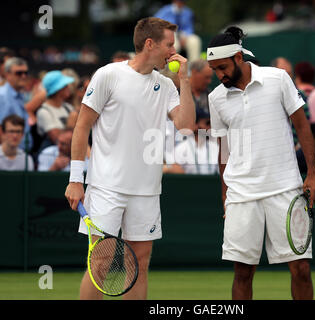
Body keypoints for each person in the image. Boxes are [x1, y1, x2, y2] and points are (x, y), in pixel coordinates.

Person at [64, 17, 195, 300]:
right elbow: (82, 126)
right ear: (150, 44)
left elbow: (186, 125)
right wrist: (76, 179)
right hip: (106, 186)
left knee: (140, 265)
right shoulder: (108, 75)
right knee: (100, 262)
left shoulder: (167, 85)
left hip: (147, 190)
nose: (174, 52)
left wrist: (184, 79)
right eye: (169, 45)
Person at [207, 26, 315, 300]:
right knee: (242, 273)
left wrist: (312, 174)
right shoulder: (216, 98)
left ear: (237, 57)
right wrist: (225, 193)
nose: (219, 75)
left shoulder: (278, 78)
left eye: (222, 67)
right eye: (214, 70)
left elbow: (303, 127)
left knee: (301, 269)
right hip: (241, 195)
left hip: (285, 188)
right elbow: (224, 149)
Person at [36, 70, 77, 151]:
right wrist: (70, 126)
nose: (68, 87)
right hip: (50, 157)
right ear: (58, 90)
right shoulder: (44, 112)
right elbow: (58, 140)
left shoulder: (68, 107)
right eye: (65, 85)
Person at [174, 108, 219, 174]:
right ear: (195, 125)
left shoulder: (216, 148)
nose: (210, 127)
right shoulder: (181, 148)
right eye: (207, 123)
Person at [0, 57, 32, 149]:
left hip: (21, 155)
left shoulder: (21, 95)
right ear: (7, 74)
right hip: (10, 156)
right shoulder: (2, 96)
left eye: (26, 73)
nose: (24, 76)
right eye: (19, 73)